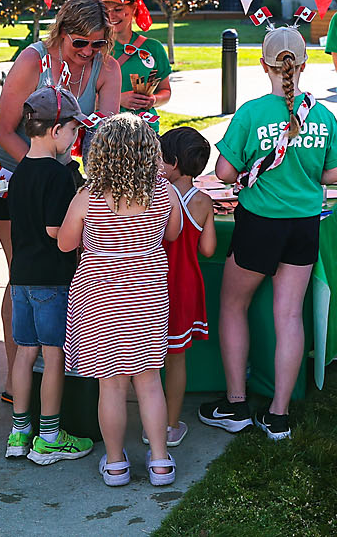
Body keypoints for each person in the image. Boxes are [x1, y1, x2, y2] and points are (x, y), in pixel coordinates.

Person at [200, 27, 337, 442]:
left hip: (259, 223)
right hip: (303, 224)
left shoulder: (251, 112)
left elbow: (225, 174)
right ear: (302, 65)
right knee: (289, 317)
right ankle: (278, 415)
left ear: (264, 65)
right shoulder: (321, 115)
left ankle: (235, 404)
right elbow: (336, 174)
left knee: (232, 305)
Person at [0, 0, 121, 404]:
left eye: (97, 44)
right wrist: (43, 173)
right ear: (61, 33)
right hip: (9, 166)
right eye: (80, 43)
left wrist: (96, 181)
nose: (88, 53)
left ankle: (58, 367)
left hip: (57, 172)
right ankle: (15, 374)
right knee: (21, 267)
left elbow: (101, 137)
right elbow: (5, 129)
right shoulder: (32, 61)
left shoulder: (107, 69)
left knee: (61, 263)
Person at [59, 114, 180, 488]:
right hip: (148, 296)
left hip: (100, 300)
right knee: (149, 381)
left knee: (111, 385)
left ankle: (115, 464)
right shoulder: (164, 192)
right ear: (149, 152)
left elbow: (65, 243)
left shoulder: (88, 197)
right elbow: (173, 233)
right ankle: (160, 461)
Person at [4, 87, 95, 466]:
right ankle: (51, 436)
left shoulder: (19, 171)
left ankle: (18, 432)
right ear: (56, 130)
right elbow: (58, 233)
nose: (76, 138)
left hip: (21, 277)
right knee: (54, 355)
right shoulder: (59, 177)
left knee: (26, 353)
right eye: (74, 130)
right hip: (51, 280)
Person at [150, 126, 215, 449]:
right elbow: (208, 250)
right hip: (185, 286)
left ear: (172, 162)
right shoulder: (203, 201)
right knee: (176, 359)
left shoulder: (156, 195)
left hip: (153, 285)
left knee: (144, 361)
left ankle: (149, 423)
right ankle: (170, 426)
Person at [99, 0, 172, 130]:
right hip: (105, 134)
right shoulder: (93, 48)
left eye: (118, 9)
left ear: (133, 9)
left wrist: (153, 99)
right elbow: (80, 96)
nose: (111, 16)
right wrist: (118, 99)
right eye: (105, 11)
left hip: (144, 131)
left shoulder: (153, 48)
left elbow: (166, 91)